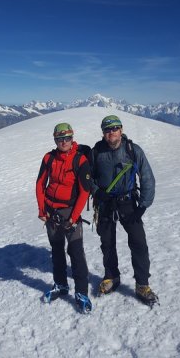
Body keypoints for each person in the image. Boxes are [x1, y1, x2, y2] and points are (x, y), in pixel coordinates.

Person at [90, 115, 158, 306]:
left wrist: (143, 205)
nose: (111, 133)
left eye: (114, 129)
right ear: (103, 133)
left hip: (128, 202)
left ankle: (142, 284)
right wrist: (97, 192)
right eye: (107, 130)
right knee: (107, 242)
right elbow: (88, 178)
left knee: (138, 243)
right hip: (105, 204)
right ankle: (111, 276)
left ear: (121, 130)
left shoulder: (132, 150)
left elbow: (147, 178)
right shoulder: (96, 152)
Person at [36, 122, 92, 313]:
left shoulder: (80, 160)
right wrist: (42, 210)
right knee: (57, 250)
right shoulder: (49, 158)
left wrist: (73, 217)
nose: (64, 142)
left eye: (67, 138)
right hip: (52, 212)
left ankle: (82, 292)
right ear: (55, 140)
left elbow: (85, 192)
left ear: (72, 138)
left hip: (70, 212)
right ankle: (61, 285)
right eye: (60, 139)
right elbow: (40, 184)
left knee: (76, 252)